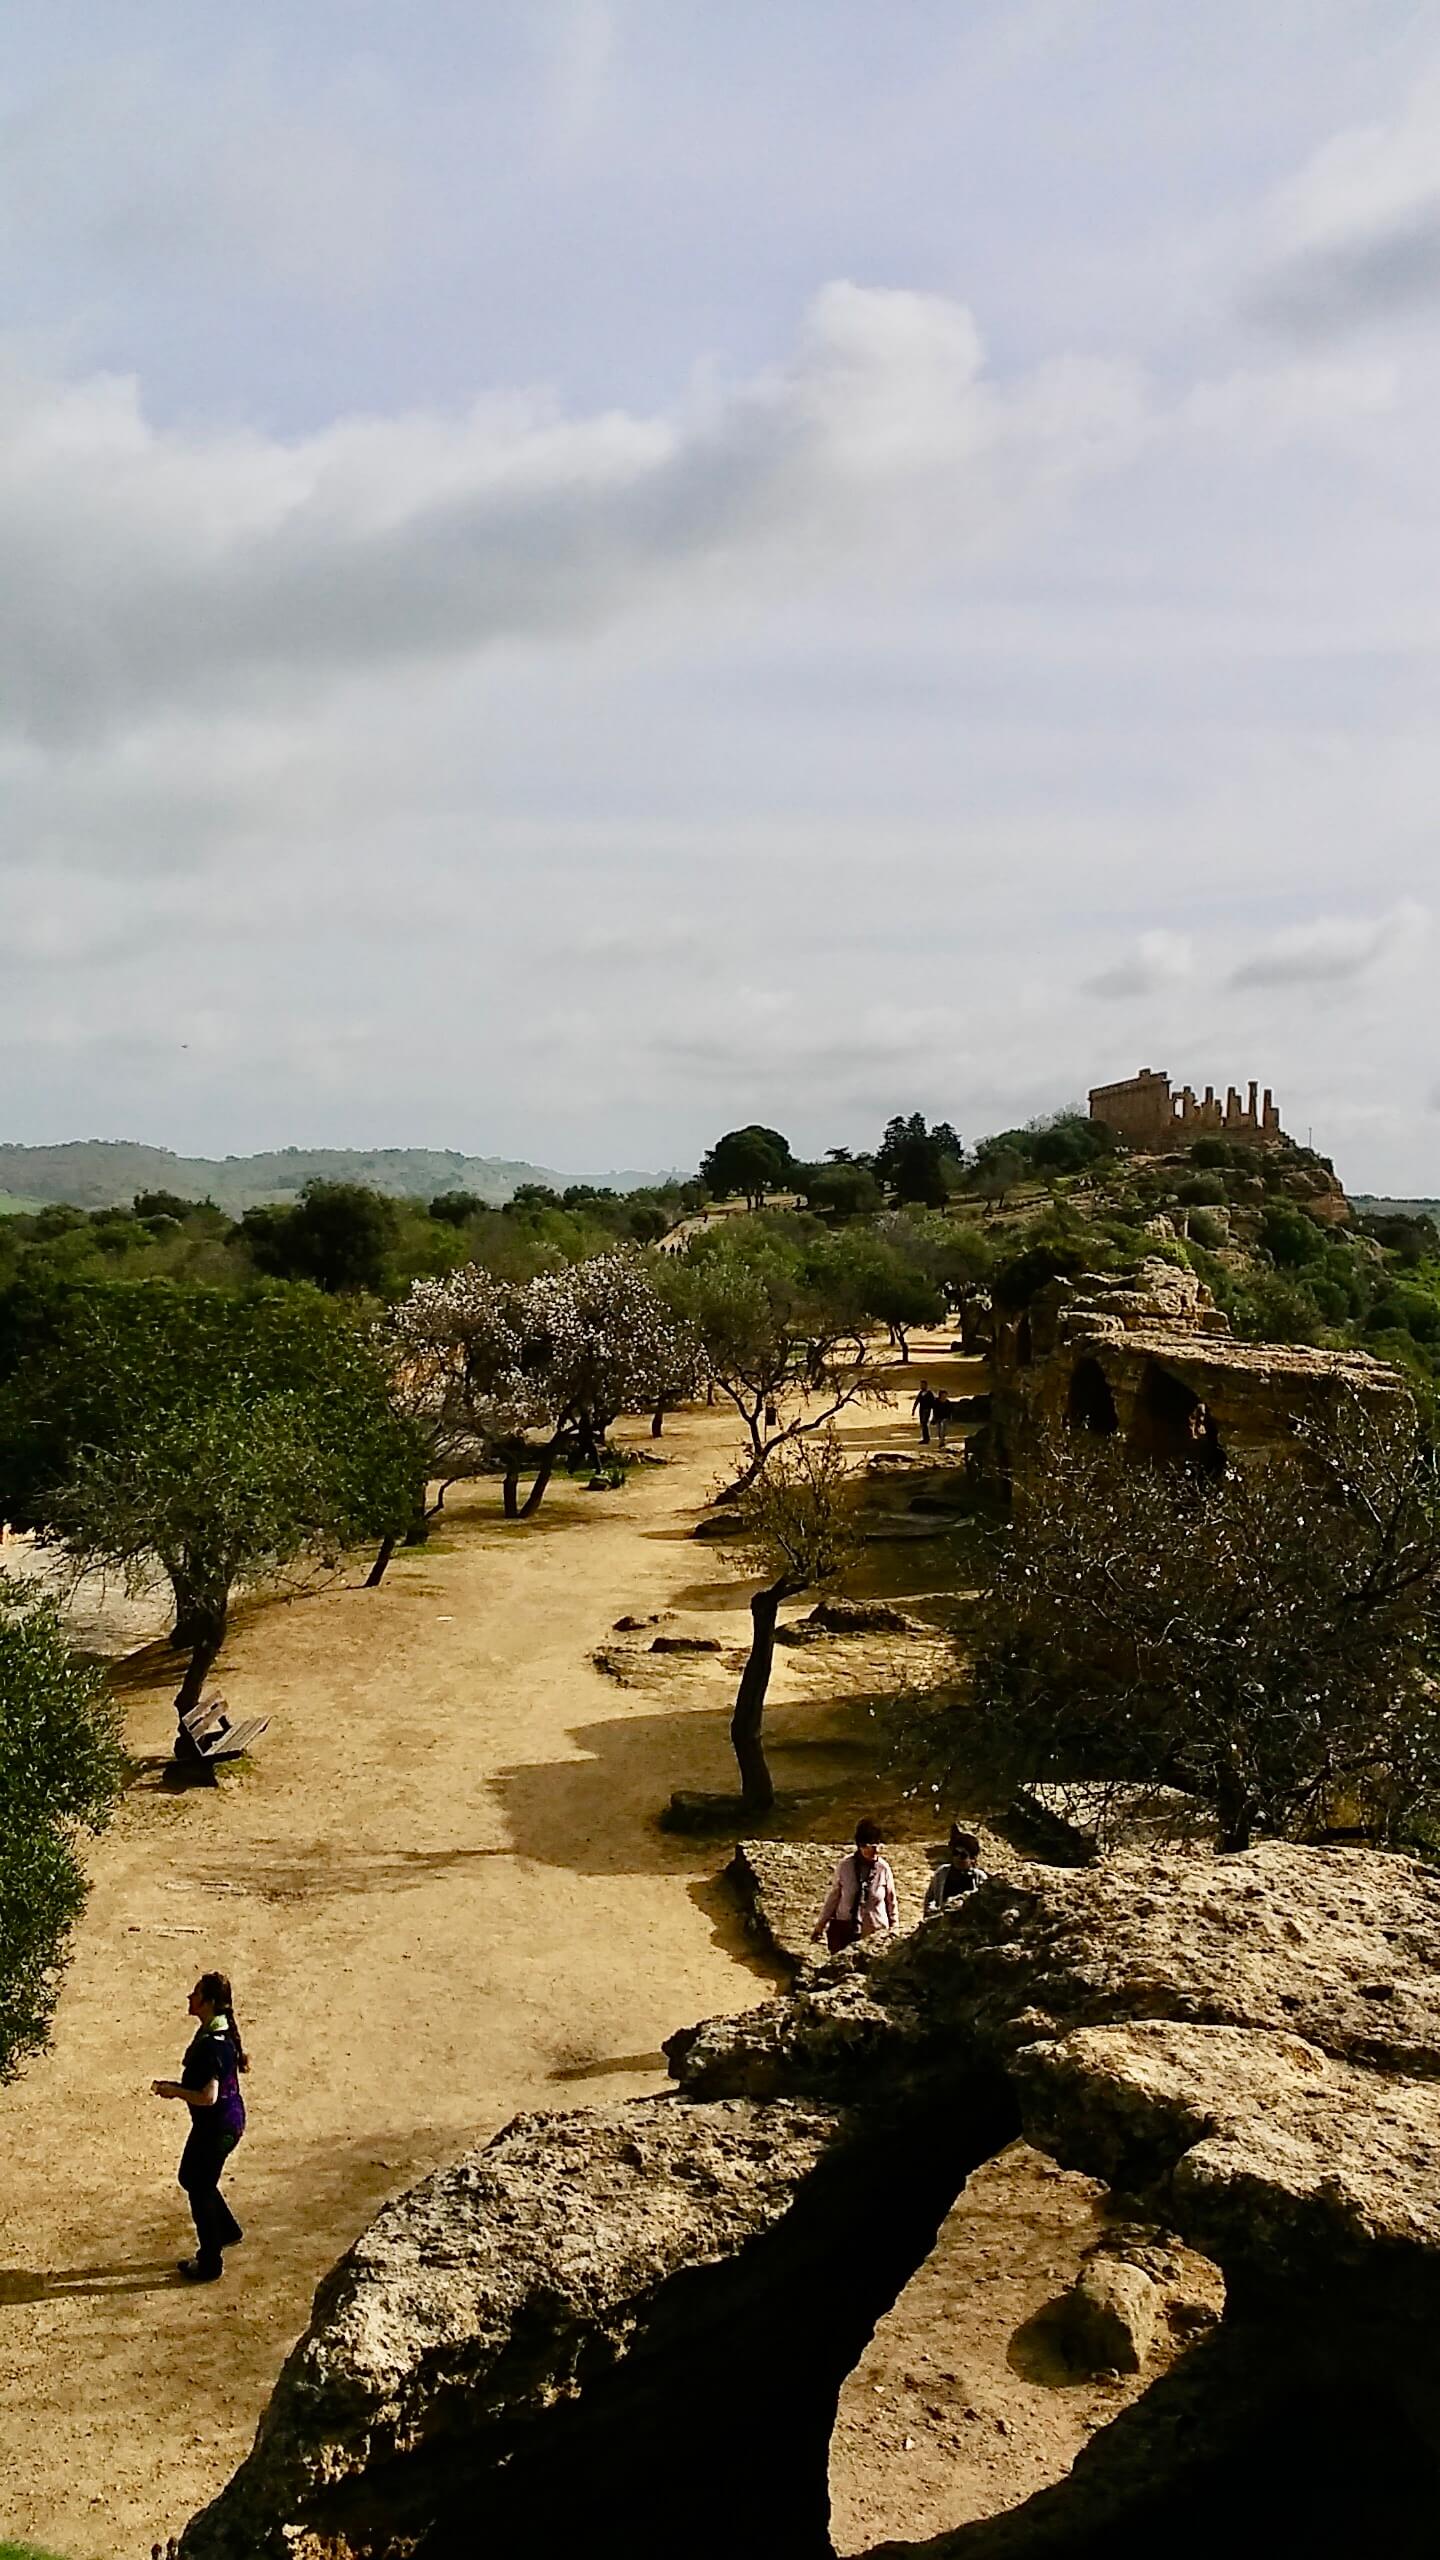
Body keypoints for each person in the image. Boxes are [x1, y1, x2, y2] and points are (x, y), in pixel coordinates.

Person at [152, 1971, 248, 2283]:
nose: (190, 1998)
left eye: (196, 1993)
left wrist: (174, 2090)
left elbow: (208, 2097)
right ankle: (226, 2230)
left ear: (208, 2002)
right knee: (192, 2178)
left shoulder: (211, 2045)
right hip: (222, 2123)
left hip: (217, 2127)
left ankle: (210, 2262)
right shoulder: (217, 2033)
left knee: (199, 2185)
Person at [812, 1817, 899, 1954]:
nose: (874, 1850)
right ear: (860, 1845)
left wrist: (894, 1929)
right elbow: (834, 1897)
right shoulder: (845, 1866)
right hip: (845, 1932)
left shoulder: (883, 1869)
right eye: (869, 1846)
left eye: (877, 1845)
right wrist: (820, 1925)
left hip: (874, 1935)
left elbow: (891, 1901)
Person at [924, 1826, 989, 1917]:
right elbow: (930, 1898)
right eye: (955, 1853)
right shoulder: (942, 1873)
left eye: (963, 1855)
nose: (958, 1858)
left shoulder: (980, 1877)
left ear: (973, 1859)